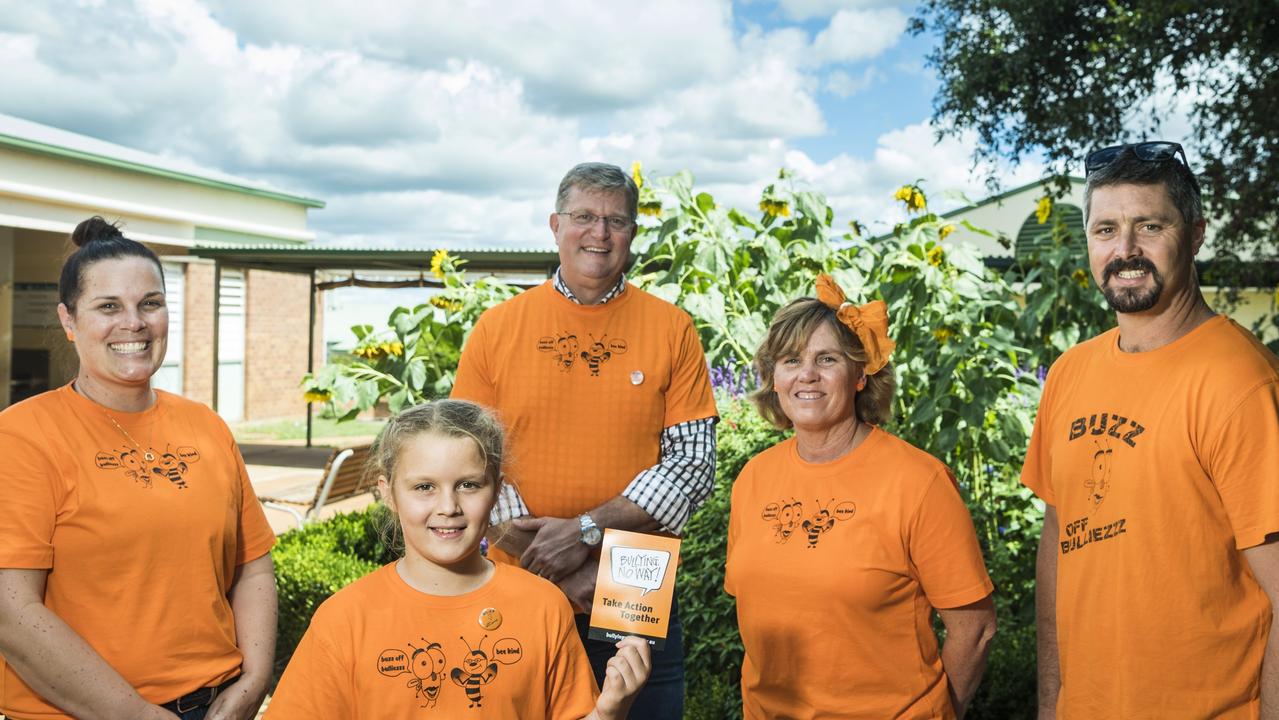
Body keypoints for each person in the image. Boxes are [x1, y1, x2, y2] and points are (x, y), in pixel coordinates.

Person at [450, 162, 718, 717]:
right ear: (555, 225)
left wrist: (586, 533)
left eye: (616, 221)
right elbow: (469, 462)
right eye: (584, 217)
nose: (599, 233)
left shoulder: (672, 328)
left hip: (636, 583)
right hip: (519, 577)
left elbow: (691, 467)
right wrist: (556, 568)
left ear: (633, 234)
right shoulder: (498, 329)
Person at [1024, 141, 1279, 718]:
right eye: (1106, 229)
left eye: (1150, 226)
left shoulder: (1240, 384)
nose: (1126, 250)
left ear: (1195, 234)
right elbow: (1058, 551)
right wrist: (1051, 704)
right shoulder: (1068, 374)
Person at [0, 217, 278, 720]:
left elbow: (252, 565)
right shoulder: (22, 437)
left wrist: (254, 680)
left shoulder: (206, 426)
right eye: (108, 306)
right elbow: (11, 612)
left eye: (150, 303)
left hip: (215, 706)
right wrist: (135, 713)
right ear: (69, 321)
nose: (134, 322)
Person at [265, 399, 651, 719]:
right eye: (424, 487)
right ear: (388, 493)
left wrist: (608, 713)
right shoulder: (345, 618)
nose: (448, 507)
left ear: (497, 489)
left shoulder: (544, 606)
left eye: (468, 485)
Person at [726, 274, 997, 719]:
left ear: (859, 375)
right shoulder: (753, 480)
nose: (807, 375)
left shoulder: (919, 482)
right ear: (774, 378)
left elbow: (977, 629)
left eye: (827, 358)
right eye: (791, 360)